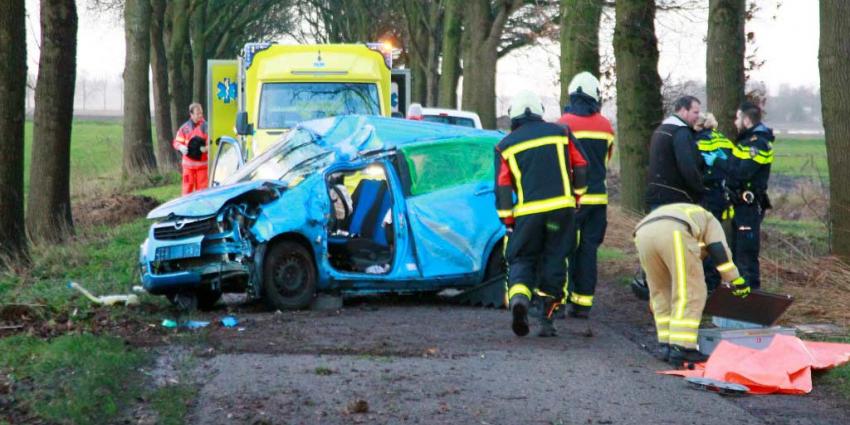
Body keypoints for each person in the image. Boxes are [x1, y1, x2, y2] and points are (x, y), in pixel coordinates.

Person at [495, 90, 588, 337]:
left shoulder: (504, 146)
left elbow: (503, 186)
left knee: (522, 258)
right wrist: (576, 197)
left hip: (529, 214)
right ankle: (548, 320)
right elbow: (581, 165)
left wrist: (508, 219)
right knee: (556, 260)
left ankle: (519, 300)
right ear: (539, 112)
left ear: (513, 117)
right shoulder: (562, 132)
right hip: (561, 212)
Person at [634, 203, 750, 366]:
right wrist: (735, 280)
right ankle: (683, 347)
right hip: (674, 231)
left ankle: (666, 344)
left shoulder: (688, 213)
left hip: (642, 232)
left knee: (660, 293)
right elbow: (719, 251)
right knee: (690, 292)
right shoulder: (711, 221)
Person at [557, 71, 615, 320]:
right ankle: (582, 304)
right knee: (588, 251)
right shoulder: (605, 125)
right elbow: (607, 158)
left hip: (570, 199)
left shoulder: (562, 124)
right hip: (597, 199)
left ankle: (557, 300)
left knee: (561, 250)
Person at [726, 101, 774, 290]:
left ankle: (751, 293)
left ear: (746, 119)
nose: (735, 122)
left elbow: (742, 172)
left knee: (746, 252)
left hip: (749, 204)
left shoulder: (758, 144)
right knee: (738, 250)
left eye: (738, 117)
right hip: (739, 205)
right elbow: (734, 167)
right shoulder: (746, 141)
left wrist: (723, 167)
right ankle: (740, 294)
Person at [693, 112, 734, 291]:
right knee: (715, 238)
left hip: (705, 195)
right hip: (721, 195)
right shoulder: (724, 140)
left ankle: (704, 282)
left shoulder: (697, 141)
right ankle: (714, 282)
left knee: (701, 240)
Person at [645, 96, 705, 210]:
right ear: (683, 111)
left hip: (656, 195)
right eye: (695, 112)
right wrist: (700, 190)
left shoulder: (660, 129)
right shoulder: (681, 132)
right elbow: (688, 166)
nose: (698, 117)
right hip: (676, 198)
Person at [173, 103, 209, 195]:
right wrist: (180, 147)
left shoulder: (207, 127)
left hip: (202, 167)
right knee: (187, 189)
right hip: (188, 167)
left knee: (203, 191)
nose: (200, 115)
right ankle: (185, 208)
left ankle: (202, 208)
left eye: (201, 113)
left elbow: (213, 143)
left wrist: (207, 148)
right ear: (191, 114)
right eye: (197, 113)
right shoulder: (184, 129)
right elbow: (176, 142)